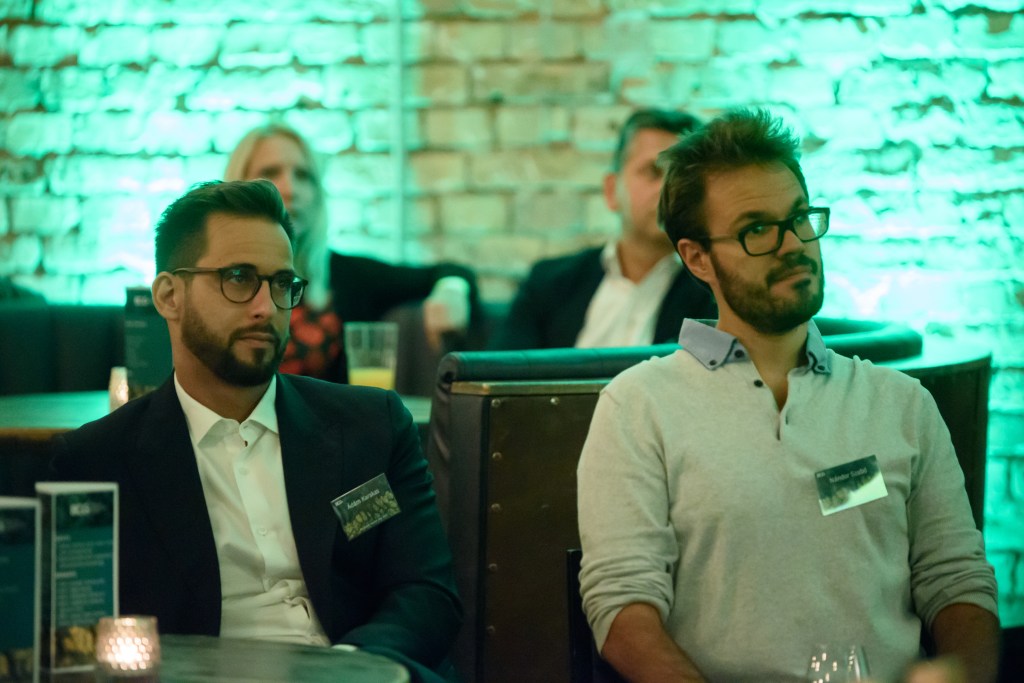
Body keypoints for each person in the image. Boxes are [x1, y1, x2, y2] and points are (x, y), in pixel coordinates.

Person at [576, 109, 1000, 683]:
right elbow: (622, 606)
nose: (793, 244)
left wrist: (960, 674)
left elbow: (957, 580)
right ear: (698, 258)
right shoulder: (638, 405)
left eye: (799, 218)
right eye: (757, 230)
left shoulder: (901, 403)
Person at [50, 180, 462, 683]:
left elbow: (426, 592)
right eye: (239, 278)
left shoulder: (371, 427)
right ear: (169, 297)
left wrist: (348, 667)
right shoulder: (98, 460)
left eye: (282, 283)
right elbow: (80, 636)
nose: (267, 307)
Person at [225, 123, 481, 381]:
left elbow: (448, 271)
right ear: (239, 188)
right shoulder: (214, 275)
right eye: (270, 173)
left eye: (304, 176)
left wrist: (451, 291)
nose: (291, 189)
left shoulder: (347, 274)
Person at [490, 108, 716, 350]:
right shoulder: (549, 284)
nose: (668, 189)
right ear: (611, 191)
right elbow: (506, 370)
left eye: (682, 177)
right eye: (653, 172)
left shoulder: (717, 295)